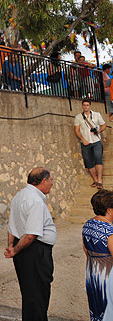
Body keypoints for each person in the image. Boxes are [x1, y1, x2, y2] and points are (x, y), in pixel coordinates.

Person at [5, 167, 56, 321]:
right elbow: (30, 235)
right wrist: (14, 250)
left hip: (24, 250)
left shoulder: (19, 196)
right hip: (34, 251)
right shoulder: (35, 201)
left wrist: (11, 246)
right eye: (51, 180)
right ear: (44, 181)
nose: (52, 184)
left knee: (30, 294)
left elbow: (11, 226)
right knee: (38, 296)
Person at [83, 189, 113, 321]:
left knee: (96, 309)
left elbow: (85, 250)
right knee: (108, 310)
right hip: (108, 275)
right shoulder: (109, 230)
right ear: (109, 210)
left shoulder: (88, 224)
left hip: (92, 272)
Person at [74, 99, 106, 189]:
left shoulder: (97, 115)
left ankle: (100, 180)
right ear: (82, 106)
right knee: (88, 162)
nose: (86, 107)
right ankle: (95, 180)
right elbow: (76, 130)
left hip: (96, 141)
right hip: (85, 142)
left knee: (98, 159)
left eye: (87, 105)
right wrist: (82, 139)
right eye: (84, 105)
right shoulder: (78, 117)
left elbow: (103, 125)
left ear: (90, 106)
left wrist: (98, 131)